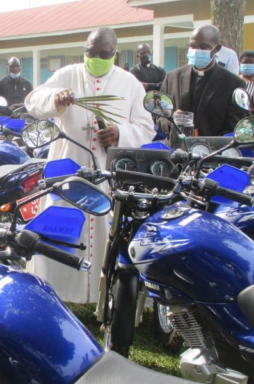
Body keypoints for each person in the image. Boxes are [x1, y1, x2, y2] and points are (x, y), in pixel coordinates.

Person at [24, 27, 155, 304]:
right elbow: (33, 102)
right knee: (57, 227)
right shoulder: (67, 74)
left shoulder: (129, 82)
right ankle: (55, 292)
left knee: (105, 229)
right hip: (66, 168)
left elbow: (146, 126)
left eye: (103, 54)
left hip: (107, 173)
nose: (95, 58)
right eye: (90, 53)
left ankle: (102, 297)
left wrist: (120, 133)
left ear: (115, 54)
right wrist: (55, 99)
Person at [158, 25, 247, 147]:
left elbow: (235, 126)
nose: (196, 50)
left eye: (203, 47)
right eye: (193, 46)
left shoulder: (233, 83)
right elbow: (158, 116)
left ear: (216, 49)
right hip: (175, 151)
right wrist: (172, 122)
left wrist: (209, 144)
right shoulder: (172, 77)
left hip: (212, 154)